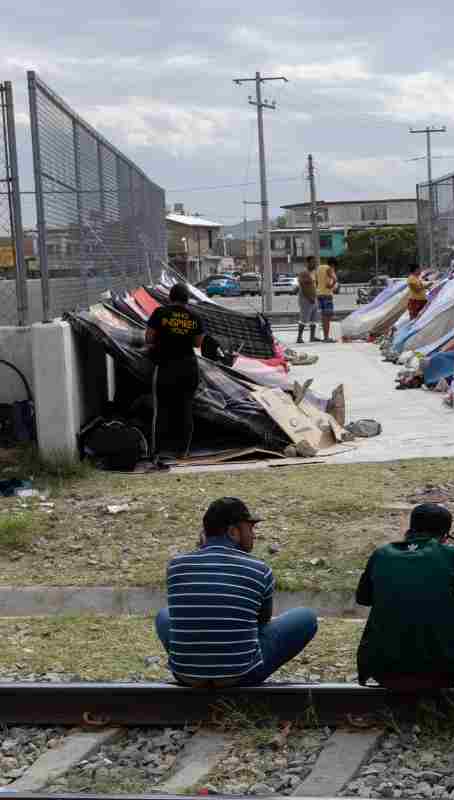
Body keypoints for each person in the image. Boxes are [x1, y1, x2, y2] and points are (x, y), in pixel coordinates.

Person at [156, 498, 318, 688]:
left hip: (185, 675)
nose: (253, 535)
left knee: (164, 615)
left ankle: (196, 666)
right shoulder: (260, 569)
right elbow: (262, 622)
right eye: (250, 528)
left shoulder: (176, 566)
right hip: (242, 676)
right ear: (233, 532)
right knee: (307, 617)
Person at [355, 504, 454, 690]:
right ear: (444, 535)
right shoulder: (449, 554)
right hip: (441, 672)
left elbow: (363, 599)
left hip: (384, 671)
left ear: (410, 529)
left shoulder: (381, 554)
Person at [145, 283, 205, 457]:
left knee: (162, 410)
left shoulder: (159, 313)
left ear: (170, 297)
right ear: (187, 299)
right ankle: (182, 452)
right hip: (189, 368)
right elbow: (198, 343)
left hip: (166, 367)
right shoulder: (195, 316)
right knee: (185, 410)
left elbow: (149, 338)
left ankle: (158, 451)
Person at [315, 257, 339, 342]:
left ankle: (325, 336)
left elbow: (317, 281)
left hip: (319, 294)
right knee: (327, 318)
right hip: (327, 295)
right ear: (333, 264)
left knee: (323, 317)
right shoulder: (329, 268)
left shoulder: (319, 268)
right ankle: (326, 337)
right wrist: (332, 285)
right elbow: (335, 279)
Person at [296, 257, 319, 344]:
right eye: (313, 262)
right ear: (308, 263)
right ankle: (299, 337)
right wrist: (309, 297)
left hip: (314, 298)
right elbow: (303, 286)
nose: (315, 264)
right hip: (306, 299)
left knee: (314, 318)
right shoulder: (304, 273)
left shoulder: (313, 273)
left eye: (315, 262)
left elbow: (314, 285)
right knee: (304, 319)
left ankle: (312, 337)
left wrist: (315, 296)